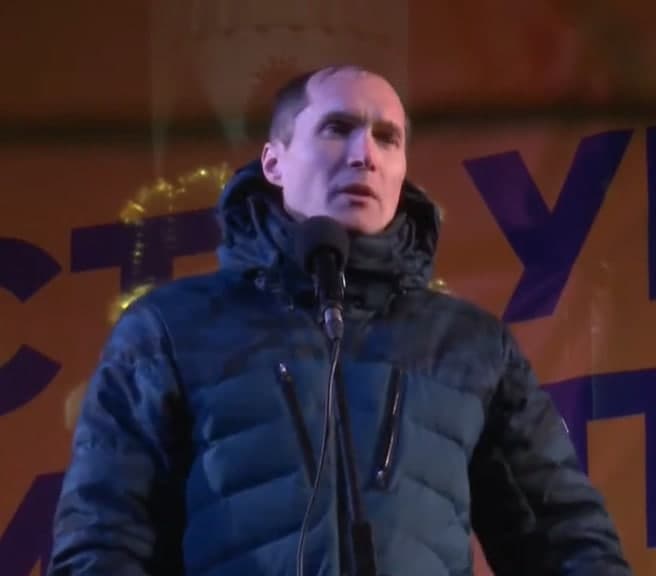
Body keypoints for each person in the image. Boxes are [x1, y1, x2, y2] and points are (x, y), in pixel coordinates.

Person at [48, 65, 632, 576]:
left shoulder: (470, 344)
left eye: (387, 138)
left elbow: (563, 539)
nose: (364, 155)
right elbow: (105, 537)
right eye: (337, 128)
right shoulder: (169, 330)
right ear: (274, 162)